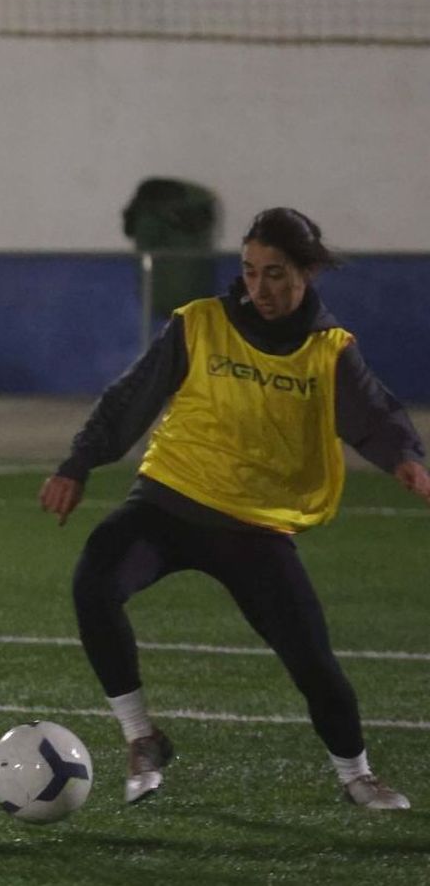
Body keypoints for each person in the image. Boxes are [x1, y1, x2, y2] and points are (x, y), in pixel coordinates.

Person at [39, 207, 430, 811]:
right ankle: (142, 738)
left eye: (275, 273)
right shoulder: (200, 323)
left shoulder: (328, 350)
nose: (260, 287)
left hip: (254, 526)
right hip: (169, 500)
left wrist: (404, 457)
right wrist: (78, 463)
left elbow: (374, 414)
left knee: (312, 661)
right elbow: (131, 397)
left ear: (306, 272)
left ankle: (358, 776)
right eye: (250, 271)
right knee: (94, 583)